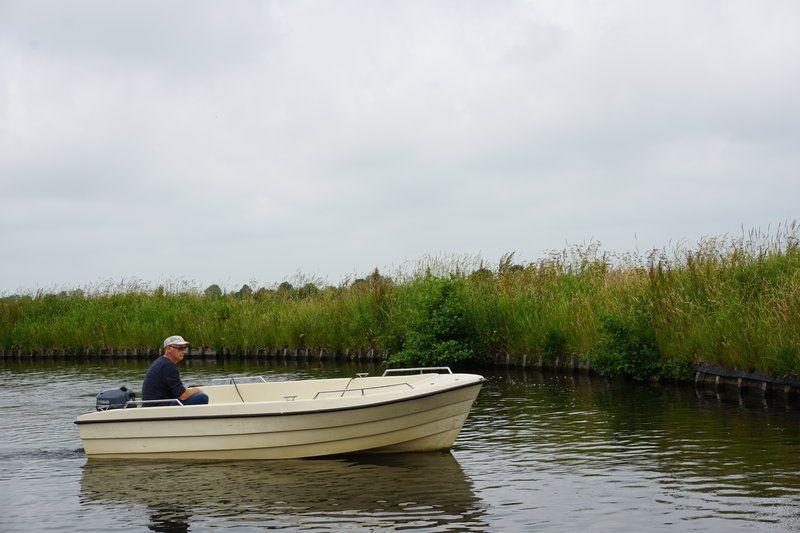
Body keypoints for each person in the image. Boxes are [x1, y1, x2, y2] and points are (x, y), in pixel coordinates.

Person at [141, 335, 209, 407]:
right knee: (202, 398)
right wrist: (197, 390)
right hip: (157, 407)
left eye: (185, 348)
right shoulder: (168, 366)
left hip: (156, 404)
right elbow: (182, 395)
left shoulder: (163, 362)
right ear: (169, 349)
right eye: (180, 348)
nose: (184, 351)